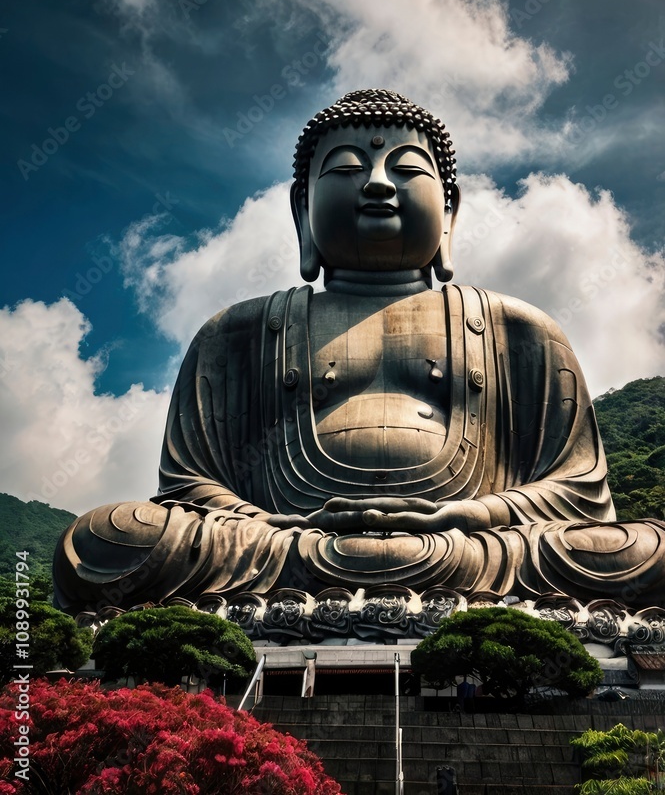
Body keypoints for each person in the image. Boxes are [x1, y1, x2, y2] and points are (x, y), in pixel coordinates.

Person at [53, 89, 665, 614]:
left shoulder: (520, 331)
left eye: (406, 170)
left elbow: (578, 492)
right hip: (280, 543)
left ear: (449, 213)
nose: (376, 183)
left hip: (472, 546)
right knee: (110, 539)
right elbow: (190, 489)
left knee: (642, 551)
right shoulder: (236, 333)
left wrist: (470, 518)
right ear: (302, 212)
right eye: (345, 169)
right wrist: (278, 527)